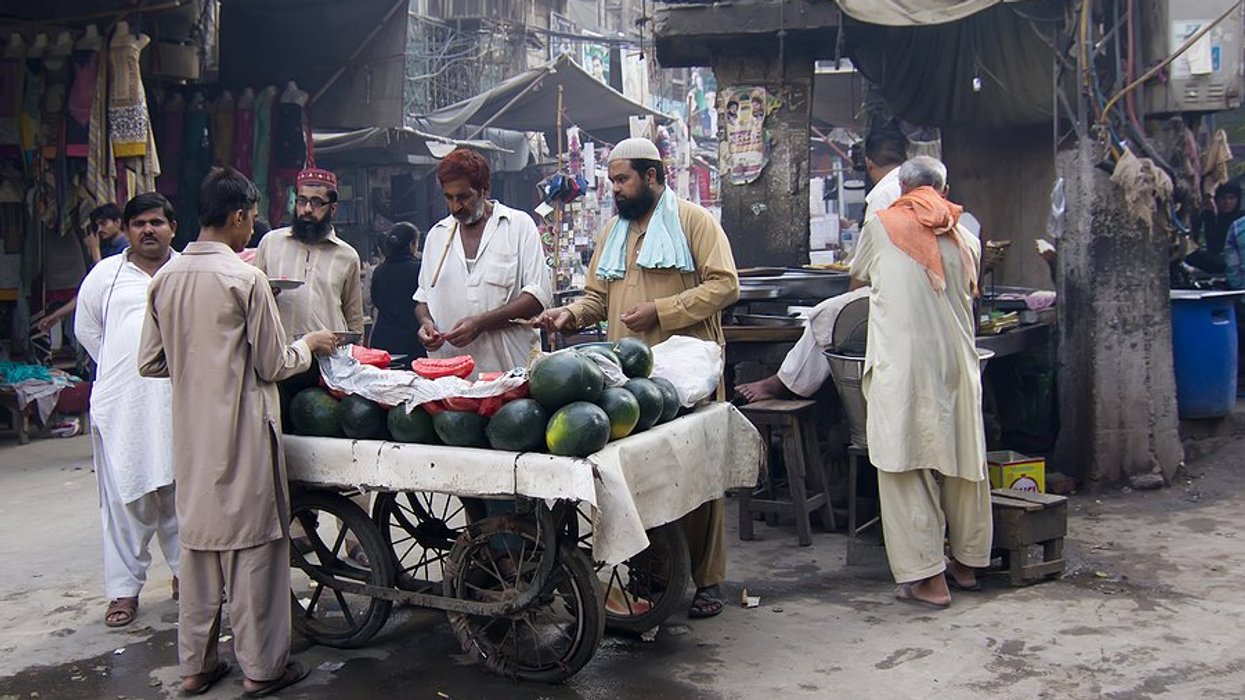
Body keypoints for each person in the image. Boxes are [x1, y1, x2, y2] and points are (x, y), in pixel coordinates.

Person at [139, 168, 336, 697]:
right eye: (250, 219)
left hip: (192, 435)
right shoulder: (245, 279)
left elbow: (151, 363)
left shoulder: (165, 279)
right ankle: (262, 670)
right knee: (255, 552)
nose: (252, 229)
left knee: (199, 550)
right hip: (244, 430)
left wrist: (198, 364)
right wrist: (311, 343)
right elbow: (273, 363)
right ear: (238, 216)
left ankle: (195, 668)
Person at [535, 137, 740, 619]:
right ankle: (653, 574)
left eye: (623, 180)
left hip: (687, 370)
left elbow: (726, 284)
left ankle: (707, 580)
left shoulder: (694, 220)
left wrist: (663, 311)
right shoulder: (612, 232)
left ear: (653, 176)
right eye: (612, 182)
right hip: (628, 380)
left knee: (697, 477)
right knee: (640, 477)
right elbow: (596, 299)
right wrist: (568, 315)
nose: (616, 190)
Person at [847, 156, 990, 609]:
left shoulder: (880, 226)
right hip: (958, 366)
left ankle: (928, 579)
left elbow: (858, 279)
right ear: (942, 192)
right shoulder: (966, 236)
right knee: (965, 463)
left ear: (903, 188)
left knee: (903, 466)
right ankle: (966, 565)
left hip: (904, 367)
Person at [734, 127, 908, 402]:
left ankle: (782, 383)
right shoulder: (915, 184)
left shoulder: (883, 193)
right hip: (910, 293)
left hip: (894, 298)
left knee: (825, 315)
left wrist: (852, 296)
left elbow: (863, 268)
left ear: (870, 164)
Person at [74, 193, 181, 629]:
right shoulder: (106, 275)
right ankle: (124, 591)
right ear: (127, 229)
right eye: (138, 224)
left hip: (178, 404)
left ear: (172, 226)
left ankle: (186, 576)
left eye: (156, 222)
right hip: (123, 406)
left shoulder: (184, 272)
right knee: (125, 502)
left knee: (182, 497)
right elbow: (87, 331)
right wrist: (126, 371)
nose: (148, 230)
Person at [415, 148, 551, 373]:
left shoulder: (518, 226)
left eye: (463, 197)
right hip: (450, 376)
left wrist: (481, 323)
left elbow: (537, 298)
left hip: (510, 371)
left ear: (484, 190)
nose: (455, 207)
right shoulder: (436, 235)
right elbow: (422, 300)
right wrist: (425, 324)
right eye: (448, 197)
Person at [253, 166, 364, 341]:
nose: (307, 209)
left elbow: (354, 319)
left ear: (332, 208)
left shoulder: (347, 256)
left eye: (317, 203)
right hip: (280, 356)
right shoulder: (270, 243)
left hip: (328, 360)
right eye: (301, 201)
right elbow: (251, 298)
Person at [35, 203, 127, 334]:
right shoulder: (105, 247)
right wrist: (56, 315)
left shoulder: (126, 249)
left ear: (118, 222)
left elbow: (105, 281)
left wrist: (94, 250)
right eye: (97, 225)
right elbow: (88, 291)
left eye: (104, 223)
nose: (100, 229)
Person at [370, 222, 425, 358]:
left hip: (383, 340)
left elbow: (375, 301)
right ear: (412, 244)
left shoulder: (379, 271)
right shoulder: (420, 270)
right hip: (412, 342)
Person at [1188, 181, 1241, 274]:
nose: (1227, 202)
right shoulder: (1208, 217)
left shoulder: (1241, 220)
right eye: (1223, 198)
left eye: (1231, 198)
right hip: (1211, 260)